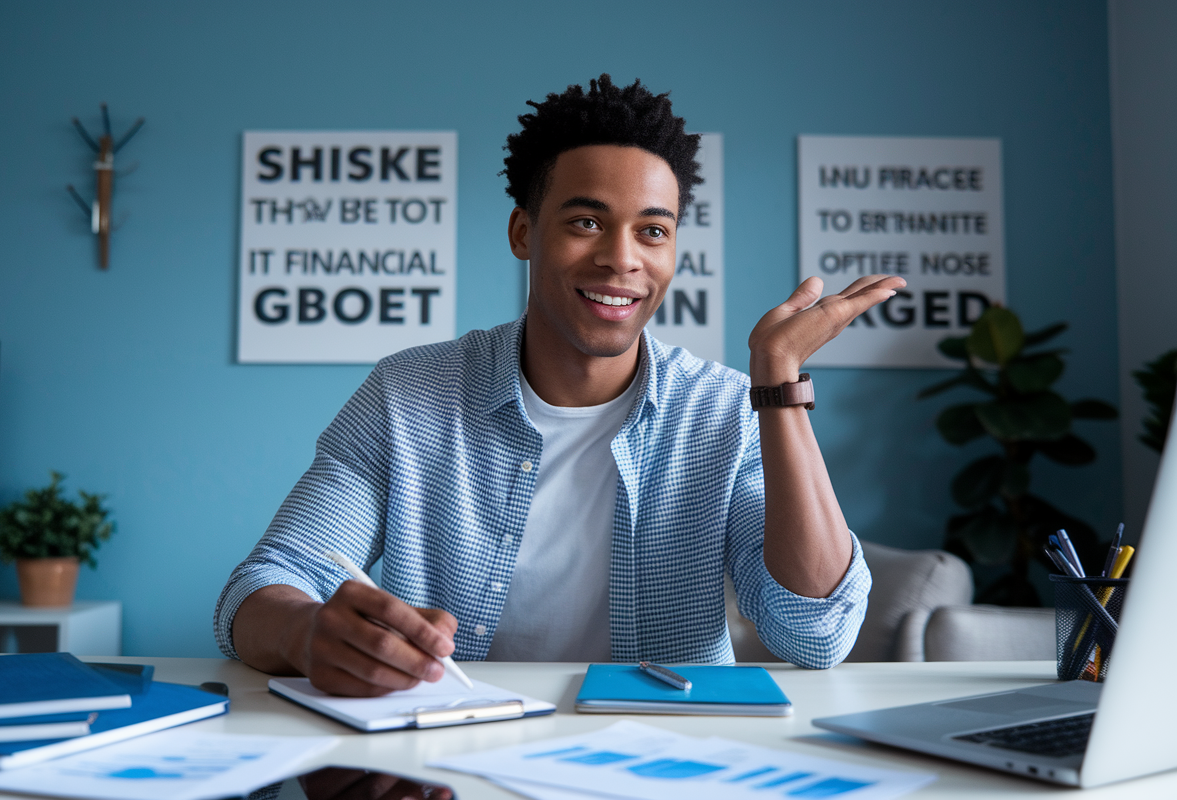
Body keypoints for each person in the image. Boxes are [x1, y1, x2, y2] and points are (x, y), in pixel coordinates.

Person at [215, 74, 906, 697]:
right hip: (454, 752)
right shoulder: (407, 396)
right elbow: (259, 589)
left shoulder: (723, 410)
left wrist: (777, 384)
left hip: (664, 759)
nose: (620, 258)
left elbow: (815, 636)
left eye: (653, 231)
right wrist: (310, 634)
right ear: (524, 231)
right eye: (585, 222)